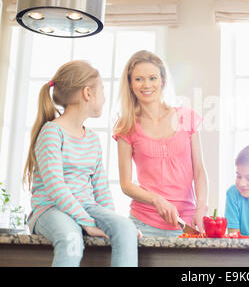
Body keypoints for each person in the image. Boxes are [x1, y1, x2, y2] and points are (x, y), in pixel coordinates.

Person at [22, 60, 139, 267]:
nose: (104, 98)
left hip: (86, 207)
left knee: (126, 227)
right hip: (49, 209)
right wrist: (86, 222)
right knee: (71, 238)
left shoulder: (92, 139)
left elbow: (101, 188)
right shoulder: (52, 132)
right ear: (87, 93)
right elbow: (56, 187)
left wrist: (114, 223)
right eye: (101, 90)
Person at [113, 50, 208, 237]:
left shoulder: (186, 117)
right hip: (143, 223)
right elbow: (125, 184)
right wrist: (157, 200)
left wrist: (201, 207)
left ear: (162, 81)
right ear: (130, 84)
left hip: (186, 223)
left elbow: (199, 170)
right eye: (139, 79)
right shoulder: (126, 125)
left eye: (152, 78)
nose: (146, 85)